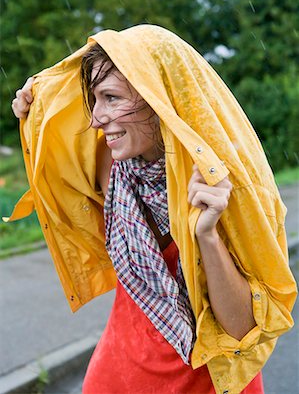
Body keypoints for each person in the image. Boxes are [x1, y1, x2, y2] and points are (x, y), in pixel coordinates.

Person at [11, 25, 296, 394]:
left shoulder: (219, 185)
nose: (97, 118)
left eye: (111, 98)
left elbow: (241, 329)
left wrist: (206, 235)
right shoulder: (110, 164)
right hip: (117, 375)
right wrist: (35, 108)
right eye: (94, 99)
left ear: (158, 97)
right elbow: (57, 145)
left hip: (209, 380)